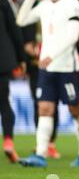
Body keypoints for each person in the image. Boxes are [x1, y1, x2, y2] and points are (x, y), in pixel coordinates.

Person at [16, 0, 79, 168]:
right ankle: (40, 155)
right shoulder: (44, 5)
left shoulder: (72, 4)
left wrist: (52, 55)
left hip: (67, 68)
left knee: (76, 111)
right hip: (47, 69)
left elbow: (73, 37)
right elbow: (21, 20)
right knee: (45, 108)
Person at [21, 23, 61, 158]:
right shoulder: (31, 12)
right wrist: (25, 55)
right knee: (37, 103)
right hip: (34, 66)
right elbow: (21, 31)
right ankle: (41, 142)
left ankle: (51, 143)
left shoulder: (55, 9)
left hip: (53, 64)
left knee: (52, 102)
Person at [0, 0, 26, 163]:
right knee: (4, 101)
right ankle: (8, 141)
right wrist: (21, 57)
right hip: (3, 58)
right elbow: (14, 28)